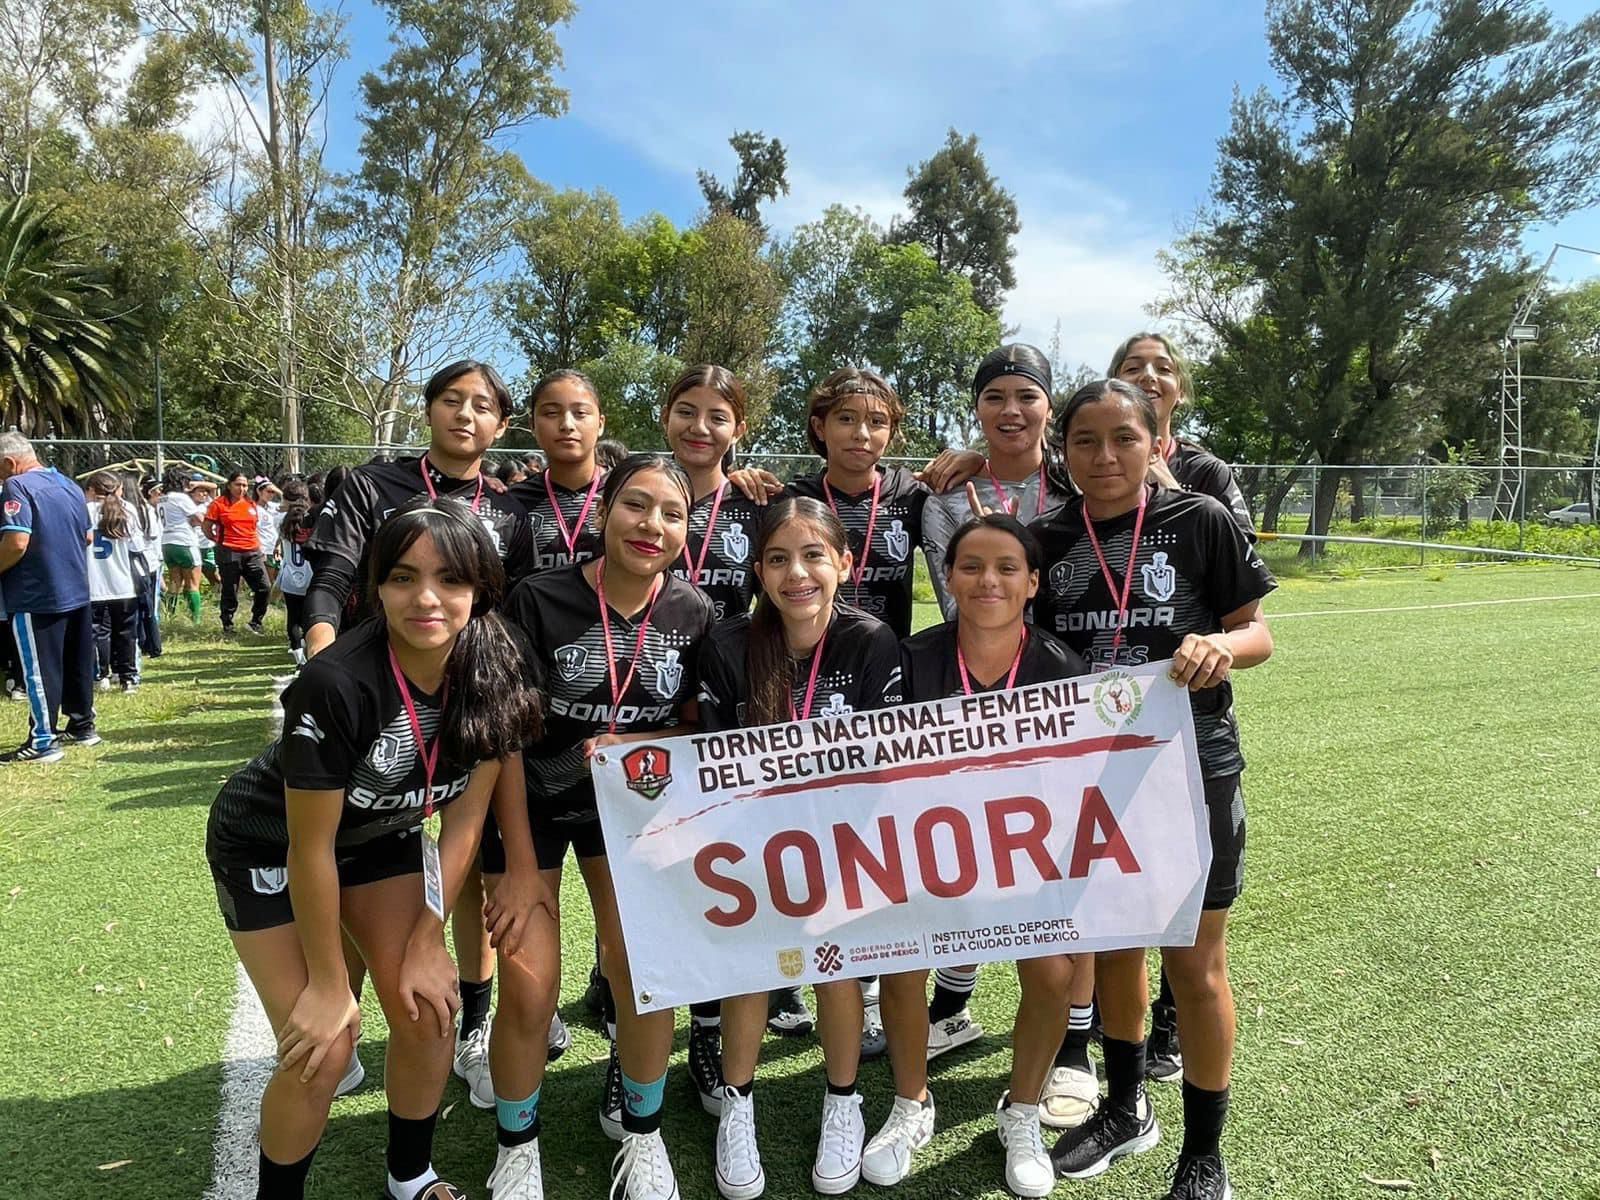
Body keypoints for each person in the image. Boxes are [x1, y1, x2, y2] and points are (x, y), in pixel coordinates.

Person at [205, 498, 540, 1200]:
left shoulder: (497, 664)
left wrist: (428, 935)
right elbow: (309, 847)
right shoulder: (334, 684)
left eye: (450, 580)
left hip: (383, 834)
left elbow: (467, 819)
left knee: (428, 1005)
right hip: (268, 845)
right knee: (321, 1049)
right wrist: (330, 984)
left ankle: (410, 1174)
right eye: (402, 577)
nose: (426, 598)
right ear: (374, 586)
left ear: (480, 586)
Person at [1031, 379, 1275, 1200]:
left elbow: (1259, 631)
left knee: (1196, 962)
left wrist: (1221, 647)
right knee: (1113, 945)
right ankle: (1127, 1108)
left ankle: (1204, 1155)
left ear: (1155, 445)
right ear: (1061, 452)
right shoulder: (1044, 538)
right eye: (1085, 441)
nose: (1104, 457)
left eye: (1123, 439)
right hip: (1086, 776)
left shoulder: (1199, 520)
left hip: (1189, 763)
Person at [301, 360, 539, 1121]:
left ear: (501, 424)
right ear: (428, 409)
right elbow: (333, 577)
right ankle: (342, 1004)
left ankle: (473, 1023)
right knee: (357, 838)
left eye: (482, 406)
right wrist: (325, 668)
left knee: (461, 860)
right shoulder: (373, 486)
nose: (466, 415)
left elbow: (512, 609)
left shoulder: (511, 507)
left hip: (468, 695)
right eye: (451, 401)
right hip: (379, 690)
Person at [497, 454, 715, 1200]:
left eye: (672, 513)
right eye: (636, 505)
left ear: (688, 531)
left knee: (645, 973)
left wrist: (638, 746)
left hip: (630, 812)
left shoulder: (693, 612)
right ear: (604, 511)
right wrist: (522, 866)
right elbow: (501, 742)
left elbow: (696, 729)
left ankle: (643, 1137)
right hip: (529, 805)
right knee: (530, 989)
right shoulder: (537, 597)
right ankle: (516, 1145)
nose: (652, 525)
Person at [872, 514, 1090, 1197]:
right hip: (927, 852)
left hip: (1026, 857)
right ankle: (912, 1102)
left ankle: (1021, 1111)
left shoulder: (1058, 665)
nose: (987, 580)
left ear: (1032, 583)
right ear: (948, 577)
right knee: (901, 966)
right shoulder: (912, 658)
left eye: (1005, 568)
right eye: (970, 566)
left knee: (1053, 972)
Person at [696, 496, 902, 1199]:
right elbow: (713, 765)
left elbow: (890, 764)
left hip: (846, 843)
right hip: (755, 843)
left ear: (844, 563)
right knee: (755, 967)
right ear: (757, 571)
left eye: (814, 555)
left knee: (837, 967)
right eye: (779, 559)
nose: (797, 574)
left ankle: (843, 1099)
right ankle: (737, 1104)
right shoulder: (728, 646)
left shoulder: (872, 640)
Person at [916, 344, 1079, 1064]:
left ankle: (1074, 1042)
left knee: (1061, 867)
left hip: (1068, 686)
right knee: (969, 847)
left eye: (1026, 396)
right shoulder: (946, 495)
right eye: (994, 398)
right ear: (977, 408)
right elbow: (961, 601)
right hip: (972, 688)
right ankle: (950, 1005)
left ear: (1049, 404)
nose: (1011, 411)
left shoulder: (1083, 485)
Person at [786, 366, 933, 1058]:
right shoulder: (785, 498)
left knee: (871, 837)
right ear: (820, 427)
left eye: (877, 422)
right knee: (799, 829)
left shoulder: (914, 495)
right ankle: (787, 968)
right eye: (847, 419)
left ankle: (867, 987)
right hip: (802, 678)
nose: (862, 434)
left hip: (881, 678)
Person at [0, 431, 97, 762]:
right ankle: (83, 726)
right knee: (76, 662)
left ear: (10, 462)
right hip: (77, 588)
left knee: (40, 669)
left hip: (37, 593)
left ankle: (43, 740)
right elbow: (86, 536)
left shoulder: (17, 486)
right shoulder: (68, 484)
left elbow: (16, 542)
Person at [662, 364, 761, 624]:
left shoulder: (756, 506)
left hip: (729, 662)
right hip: (645, 661)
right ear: (665, 418)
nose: (699, 428)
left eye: (717, 418)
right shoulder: (637, 502)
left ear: (738, 431)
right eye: (686, 412)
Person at [507, 369, 607, 574]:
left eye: (580, 413)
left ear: (600, 424)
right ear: (532, 425)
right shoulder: (512, 503)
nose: (567, 425)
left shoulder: (625, 493)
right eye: (551, 413)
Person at [84, 472, 141, 692]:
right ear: (116, 489)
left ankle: (99, 676)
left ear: (92, 490)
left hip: (93, 582)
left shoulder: (85, 510)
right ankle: (127, 677)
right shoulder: (127, 510)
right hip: (122, 582)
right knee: (126, 632)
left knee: (93, 633)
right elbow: (137, 547)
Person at [204, 470, 271, 635]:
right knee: (230, 590)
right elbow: (206, 527)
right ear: (229, 485)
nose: (242, 488)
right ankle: (228, 624)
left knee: (264, 587)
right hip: (229, 551)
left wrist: (259, 548)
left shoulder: (251, 504)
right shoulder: (219, 504)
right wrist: (218, 541)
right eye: (238, 484)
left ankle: (256, 621)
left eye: (245, 485)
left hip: (252, 551)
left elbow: (253, 528)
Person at [159, 467, 206, 623]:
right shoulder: (181, 497)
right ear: (180, 481)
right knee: (193, 583)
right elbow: (199, 518)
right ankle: (196, 620)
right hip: (184, 541)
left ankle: (169, 616)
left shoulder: (162, 498)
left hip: (167, 542)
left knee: (174, 582)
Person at [277, 480, 315, 667]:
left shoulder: (282, 524)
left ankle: (298, 657)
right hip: (310, 577)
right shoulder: (311, 525)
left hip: (290, 578)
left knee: (293, 618)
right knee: (310, 616)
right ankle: (310, 650)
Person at [128, 475, 163, 659]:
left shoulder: (131, 510)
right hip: (148, 562)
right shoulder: (145, 509)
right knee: (149, 607)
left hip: (138, 562)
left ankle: (146, 643)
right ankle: (151, 644)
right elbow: (154, 535)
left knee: (140, 605)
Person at [256, 478, 285, 584]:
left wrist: (277, 490)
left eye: (273, 492)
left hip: (276, 547)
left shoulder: (273, 506)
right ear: (259, 491)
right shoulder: (255, 509)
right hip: (264, 549)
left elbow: (287, 502)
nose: (271, 494)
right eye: (268, 491)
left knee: (279, 579)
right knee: (269, 581)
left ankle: (274, 600)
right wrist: (259, 550)